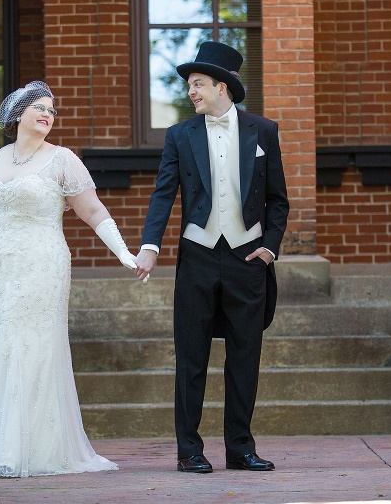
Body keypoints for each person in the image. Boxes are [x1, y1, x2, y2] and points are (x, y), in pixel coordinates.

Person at [0, 81, 136, 479]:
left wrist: (124, 253)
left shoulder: (63, 159)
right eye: (40, 108)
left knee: (31, 346)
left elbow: (93, 211)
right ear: (17, 115)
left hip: (43, 265)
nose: (48, 114)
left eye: (52, 110)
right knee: (1, 346)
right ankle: (1, 447)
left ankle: (27, 451)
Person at [134, 42, 290, 473]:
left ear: (222, 87)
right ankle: (189, 451)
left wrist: (270, 247)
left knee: (245, 356)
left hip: (248, 258)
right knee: (191, 357)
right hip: (198, 256)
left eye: (198, 84)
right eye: (189, 86)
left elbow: (278, 201)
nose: (192, 92)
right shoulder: (180, 135)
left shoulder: (264, 131)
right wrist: (150, 246)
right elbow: (163, 193)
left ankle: (240, 449)